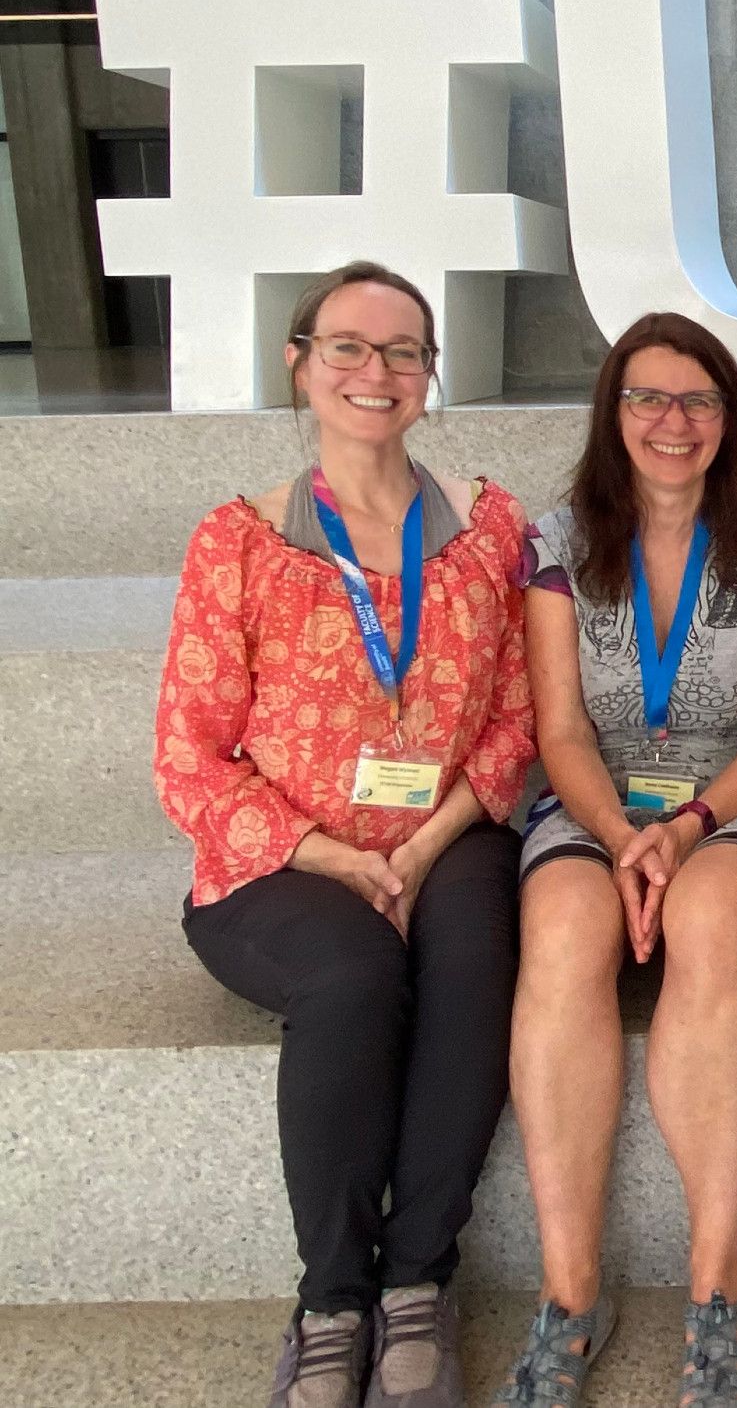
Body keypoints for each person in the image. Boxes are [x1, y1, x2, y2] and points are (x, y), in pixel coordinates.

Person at [159, 261, 536, 1408]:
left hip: (449, 833)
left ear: (431, 374)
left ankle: (419, 1281)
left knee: (471, 962)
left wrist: (420, 853)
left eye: (403, 352)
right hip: (279, 858)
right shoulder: (240, 542)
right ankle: (333, 1299)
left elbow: (517, 718)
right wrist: (332, 857)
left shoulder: (483, 530)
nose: (377, 374)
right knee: (359, 974)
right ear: (301, 363)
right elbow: (188, 754)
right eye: (350, 349)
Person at [490, 313, 737, 1408]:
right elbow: (561, 730)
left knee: (708, 921)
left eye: (697, 401)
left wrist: (681, 833)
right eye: (647, 399)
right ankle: (570, 1287)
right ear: (612, 414)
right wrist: (624, 835)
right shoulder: (554, 546)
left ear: (728, 421)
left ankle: (716, 1283)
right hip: (593, 803)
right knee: (565, 930)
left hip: (734, 803)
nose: (671, 423)